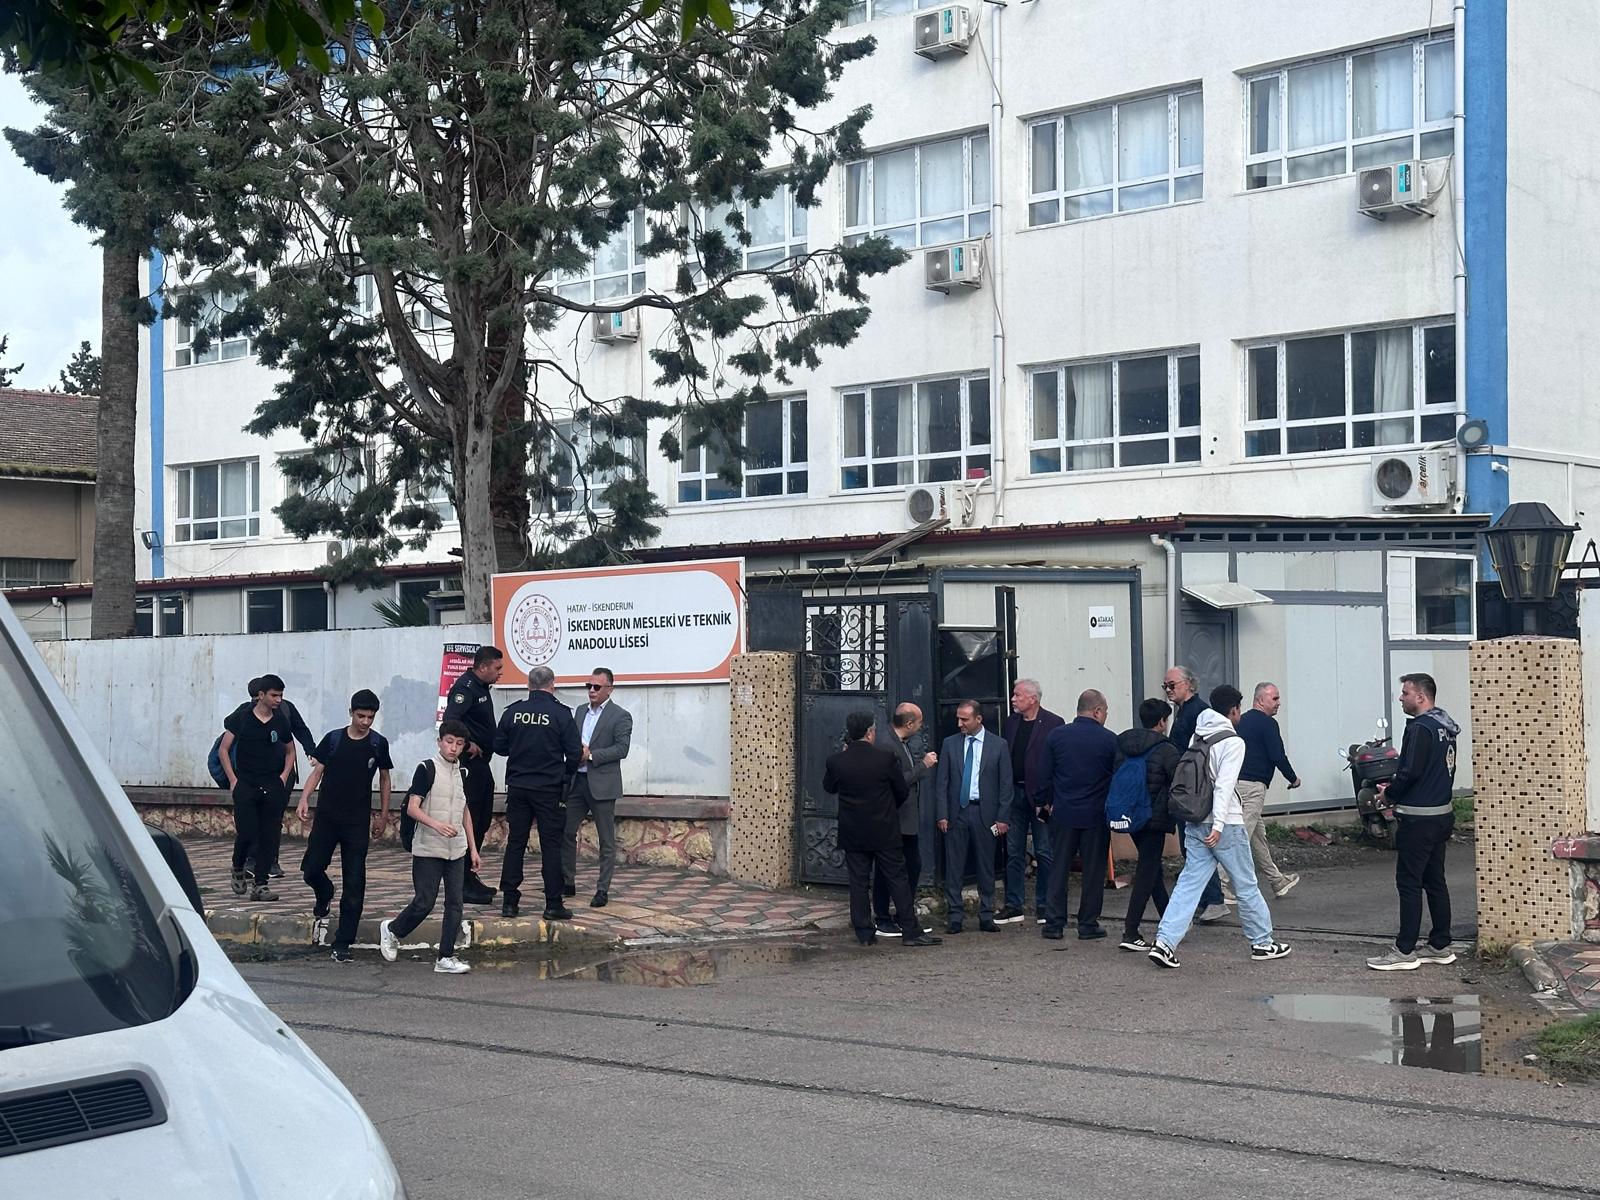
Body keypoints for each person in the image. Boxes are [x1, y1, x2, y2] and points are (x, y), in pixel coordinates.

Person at [1148, 685, 1291, 969]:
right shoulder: (1233, 742)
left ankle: (1164, 942)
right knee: (1246, 883)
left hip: (1195, 820)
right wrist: (1219, 823)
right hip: (1225, 825)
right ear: (1234, 710)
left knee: (1189, 884)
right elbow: (1224, 785)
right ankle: (1262, 942)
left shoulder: (1198, 735)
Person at [1366, 672, 1461, 971]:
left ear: (1420, 697)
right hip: (1441, 813)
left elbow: (1410, 771)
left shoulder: (1420, 728)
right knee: (1435, 881)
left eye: (1405, 693)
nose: (1401, 697)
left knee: (1409, 882)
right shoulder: (1445, 726)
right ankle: (1440, 944)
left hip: (1418, 817)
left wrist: (1388, 794)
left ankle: (1404, 950)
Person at [823, 711, 941, 948]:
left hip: (853, 831)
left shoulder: (836, 761)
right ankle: (910, 931)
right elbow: (901, 791)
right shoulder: (885, 758)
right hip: (884, 829)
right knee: (898, 879)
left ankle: (865, 933)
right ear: (869, 732)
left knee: (858, 883)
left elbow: (829, 787)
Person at [296, 689, 393, 962]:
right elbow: (317, 772)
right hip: (327, 818)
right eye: (361, 716)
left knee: (354, 882)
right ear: (351, 712)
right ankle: (324, 891)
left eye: (370, 717)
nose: (365, 722)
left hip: (357, 822)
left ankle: (343, 941)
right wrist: (304, 798)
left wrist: (384, 814)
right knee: (311, 869)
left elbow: (385, 778)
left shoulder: (378, 743)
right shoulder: (333, 739)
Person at [379, 720, 479, 974]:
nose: (453, 748)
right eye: (449, 742)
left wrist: (473, 848)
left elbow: (464, 810)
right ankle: (392, 930)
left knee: (455, 903)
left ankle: (445, 957)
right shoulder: (426, 769)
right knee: (425, 901)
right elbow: (413, 808)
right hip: (428, 847)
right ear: (439, 742)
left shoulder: (463, 773)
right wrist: (436, 825)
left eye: (459, 744)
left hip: (456, 848)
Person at [495, 665, 582, 920]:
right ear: (552, 685)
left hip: (519, 787)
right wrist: (565, 776)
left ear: (528, 685)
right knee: (551, 845)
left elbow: (499, 746)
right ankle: (553, 904)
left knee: (515, 843)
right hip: (548, 789)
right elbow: (574, 753)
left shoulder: (513, 712)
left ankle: (509, 902)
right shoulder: (561, 714)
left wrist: (521, 749)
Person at [1038, 689, 1117, 941]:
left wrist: (1044, 803)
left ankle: (1053, 924)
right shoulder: (1110, 740)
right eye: (1105, 711)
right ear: (1097, 711)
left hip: (1063, 813)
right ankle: (1087, 924)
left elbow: (1043, 775)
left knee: (1058, 868)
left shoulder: (1056, 736)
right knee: (1093, 872)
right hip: (1095, 815)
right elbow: (1116, 778)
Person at [935, 700, 1013, 934]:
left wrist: (1002, 817)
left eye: (965, 719)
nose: (960, 723)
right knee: (954, 866)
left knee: (986, 866)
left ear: (978, 719)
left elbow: (1005, 784)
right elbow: (942, 782)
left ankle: (986, 914)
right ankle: (955, 915)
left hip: (984, 813)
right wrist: (942, 813)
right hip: (957, 812)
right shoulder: (950, 744)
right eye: (958, 718)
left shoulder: (998, 745)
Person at [219, 674, 297, 901]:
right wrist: (233, 779)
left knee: (269, 835)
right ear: (261, 695)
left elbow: (290, 750)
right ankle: (238, 867)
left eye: (281, 695)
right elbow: (224, 749)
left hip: (272, 784)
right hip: (246, 783)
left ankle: (261, 884)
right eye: (274, 695)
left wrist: (283, 776)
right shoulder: (242, 717)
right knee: (247, 832)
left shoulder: (280, 721)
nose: (278, 700)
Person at [561, 667, 633, 908]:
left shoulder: (620, 716)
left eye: (597, 687)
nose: (591, 691)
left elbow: (622, 749)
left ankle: (602, 889)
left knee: (606, 840)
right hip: (577, 782)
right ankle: (567, 881)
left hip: (602, 784)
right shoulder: (581, 711)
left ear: (609, 689)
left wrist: (591, 756)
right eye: (588, 686)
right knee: (566, 831)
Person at [1115, 698, 1180, 952]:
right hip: (1154, 817)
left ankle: (1170, 921)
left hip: (1130, 815)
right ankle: (1130, 931)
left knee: (1153, 869)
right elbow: (1178, 782)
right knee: (1146, 871)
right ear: (1162, 722)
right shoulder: (1166, 749)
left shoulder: (1122, 744)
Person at [1164, 665, 1228, 924]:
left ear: (1189, 684)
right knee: (1191, 846)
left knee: (1197, 846)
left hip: (1193, 789)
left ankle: (1214, 899)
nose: (1168, 690)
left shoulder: (1198, 712)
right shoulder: (1186, 711)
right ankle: (1208, 898)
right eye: (1165, 686)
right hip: (1188, 786)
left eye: (1172, 685)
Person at [999, 678, 1064, 925]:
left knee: (1044, 851)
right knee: (1013, 852)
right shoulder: (1010, 723)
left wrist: (1049, 798)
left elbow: (1057, 763)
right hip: (1014, 794)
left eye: (1018, 695)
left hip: (1040, 797)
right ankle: (1013, 905)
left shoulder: (1053, 723)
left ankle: (1045, 905)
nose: (1013, 699)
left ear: (1033, 698)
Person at [1229, 682, 1301, 901]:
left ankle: (1276, 880)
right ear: (1260, 700)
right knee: (1240, 837)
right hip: (1253, 788)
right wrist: (1293, 778)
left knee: (1258, 837)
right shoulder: (1268, 724)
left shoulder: (1240, 721)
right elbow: (1277, 755)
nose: (1279, 703)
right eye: (1274, 698)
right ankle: (1221, 885)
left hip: (1235, 784)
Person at [871, 702, 936, 938]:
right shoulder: (887, 746)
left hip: (906, 819)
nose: (921, 727)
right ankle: (883, 918)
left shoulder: (901, 742)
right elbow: (897, 781)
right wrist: (923, 766)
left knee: (911, 865)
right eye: (919, 722)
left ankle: (904, 916)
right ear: (909, 723)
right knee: (887, 869)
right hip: (894, 818)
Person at [446, 645, 504, 905]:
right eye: (497, 668)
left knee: (482, 820)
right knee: (472, 820)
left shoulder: (481, 688)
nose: (500, 673)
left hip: (482, 764)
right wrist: (467, 744)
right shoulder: (465, 689)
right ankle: (461, 882)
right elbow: (450, 722)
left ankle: (469, 875)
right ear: (483, 667)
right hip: (470, 765)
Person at [245, 682, 318, 880]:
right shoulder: (246, 713)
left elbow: (301, 730)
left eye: (279, 696)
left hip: (282, 774)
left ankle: (271, 861)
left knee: (274, 817)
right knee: (253, 815)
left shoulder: (285, 710)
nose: (275, 700)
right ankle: (250, 859)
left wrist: (311, 751)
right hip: (253, 775)